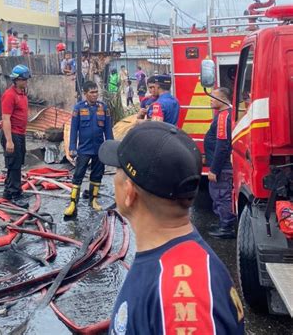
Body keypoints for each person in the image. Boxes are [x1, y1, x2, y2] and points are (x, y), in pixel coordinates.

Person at [98, 121, 244, 335]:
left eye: (117, 172)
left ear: (129, 193)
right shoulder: (172, 263)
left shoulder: (183, 297)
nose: (113, 181)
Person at [64, 80, 114, 217]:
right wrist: (72, 148)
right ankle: (73, 203)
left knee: (97, 175)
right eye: (91, 92)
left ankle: (93, 201)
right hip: (84, 149)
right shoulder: (78, 108)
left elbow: (108, 130)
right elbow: (74, 130)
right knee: (78, 175)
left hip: (99, 149)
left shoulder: (103, 108)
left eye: (96, 92)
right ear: (85, 94)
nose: (95, 95)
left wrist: (109, 148)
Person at [204, 87, 236, 239]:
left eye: (213, 96)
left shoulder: (223, 117)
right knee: (220, 194)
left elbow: (222, 146)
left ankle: (226, 227)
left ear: (223, 99)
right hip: (222, 166)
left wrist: (214, 170)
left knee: (222, 195)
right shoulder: (226, 114)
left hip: (222, 168)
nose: (210, 99)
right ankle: (223, 223)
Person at [0, 65, 31, 208]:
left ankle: (10, 190)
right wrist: (9, 141)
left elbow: (11, 115)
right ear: (16, 79)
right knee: (14, 165)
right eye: (23, 79)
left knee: (17, 163)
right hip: (12, 135)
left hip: (20, 133)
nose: (26, 81)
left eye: (26, 79)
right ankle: (14, 194)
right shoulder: (9, 95)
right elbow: (6, 118)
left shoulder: (22, 93)